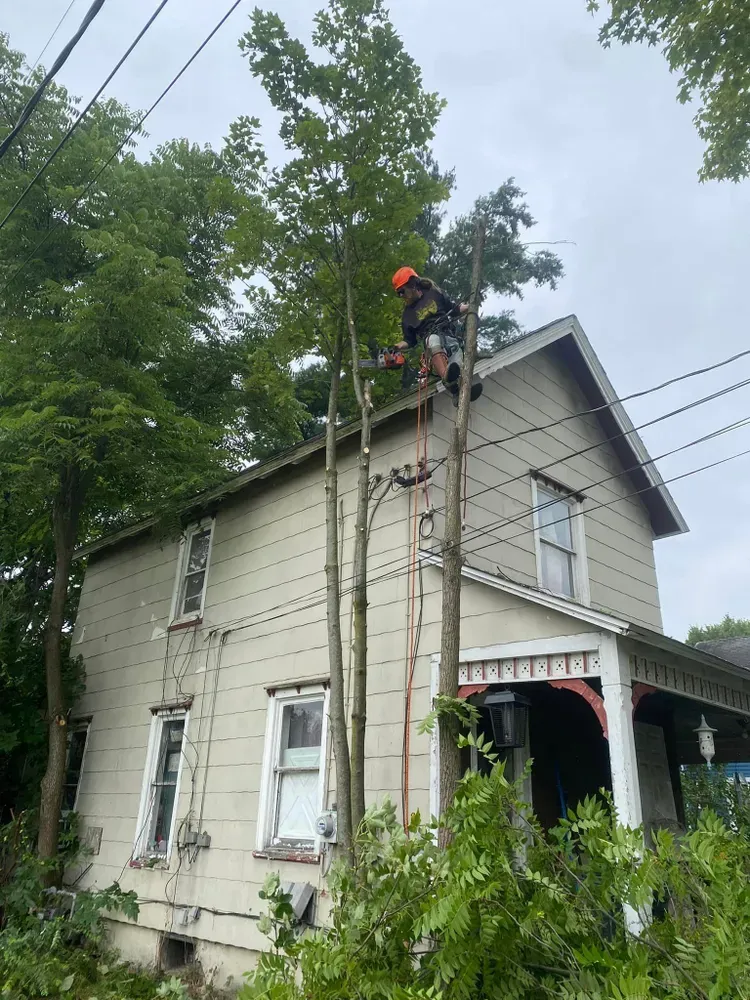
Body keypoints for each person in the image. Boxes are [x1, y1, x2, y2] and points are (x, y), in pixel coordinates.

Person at [391, 266, 483, 403]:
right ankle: (446, 377)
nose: (401, 296)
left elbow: (453, 308)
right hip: (430, 339)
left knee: (457, 365)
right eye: (399, 293)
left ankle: (460, 393)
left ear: (412, 284)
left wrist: (469, 307)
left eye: (402, 291)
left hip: (449, 336)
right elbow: (410, 341)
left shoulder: (434, 293)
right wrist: (397, 346)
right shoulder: (407, 316)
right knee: (432, 340)